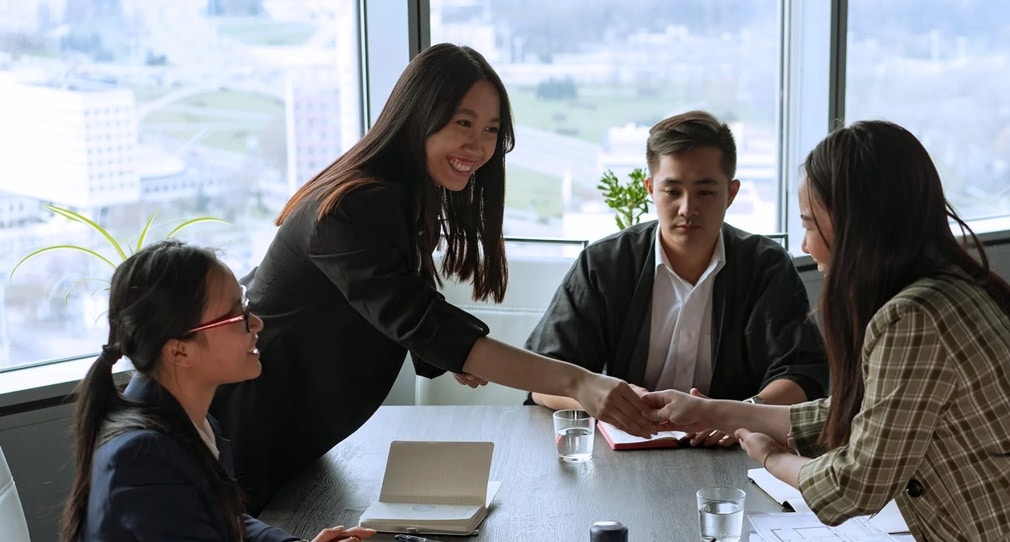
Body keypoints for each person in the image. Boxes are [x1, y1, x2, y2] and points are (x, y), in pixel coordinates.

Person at [644, 120, 1010, 539]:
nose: (807, 246)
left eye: (811, 224)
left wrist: (767, 456)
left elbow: (854, 484)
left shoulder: (915, 316)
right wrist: (722, 412)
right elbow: (866, 415)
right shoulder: (947, 289)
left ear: (857, 223)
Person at [211, 43, 657, 513]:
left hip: (291, 442)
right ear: (418, 114)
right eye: (463, 123)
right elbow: (423, 321)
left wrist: (452, 353)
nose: (478, 146)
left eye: (490, 130)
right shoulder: (357, 205)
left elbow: (402, 307)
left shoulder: (399, 200)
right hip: (243, 443)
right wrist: (580, 382)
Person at [525, 110, 827, 447]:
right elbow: (542, 377)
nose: (687, 208)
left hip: (736, 452)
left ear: (731, 192)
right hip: (624, 454)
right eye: (672, 191)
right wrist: (606, 401)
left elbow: (803, 375)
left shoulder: (766, 266)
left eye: (705, 192)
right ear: (651, 189)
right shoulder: (605, 263)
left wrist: (740, 413)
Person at [60, 240, 375, 542]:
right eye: (237, 315)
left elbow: (227, 522)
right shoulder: (141, 458)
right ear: (179, 351)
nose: (256, 325)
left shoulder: (193, 422)